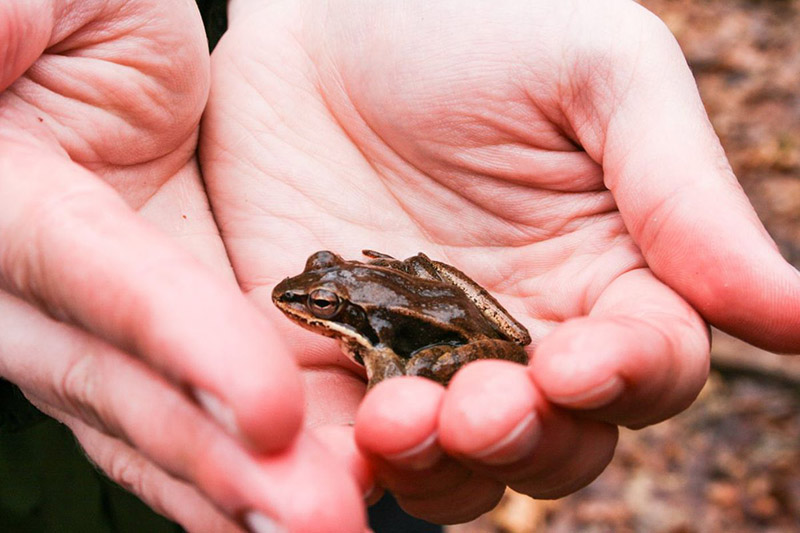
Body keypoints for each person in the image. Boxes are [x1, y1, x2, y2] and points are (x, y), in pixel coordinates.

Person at [1, 0, 797, 531]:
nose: (304, 304)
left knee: (392, 457)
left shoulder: (371, 331)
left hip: (433, 342)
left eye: (318, 294)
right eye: (314, 296)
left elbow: (388, 368)